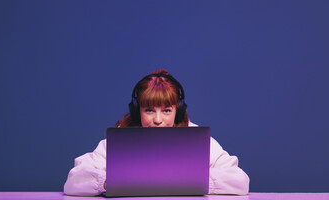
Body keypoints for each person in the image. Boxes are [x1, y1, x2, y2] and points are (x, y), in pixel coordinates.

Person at [64, 69, 250, 196]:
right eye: (149, 110)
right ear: (138, 111)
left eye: (167, 110)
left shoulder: (197, 139)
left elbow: (240, 181)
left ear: (179, 111)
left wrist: (192, 180)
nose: (158, 119)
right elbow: (73, 181)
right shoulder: (120, 140)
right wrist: (110, 182)